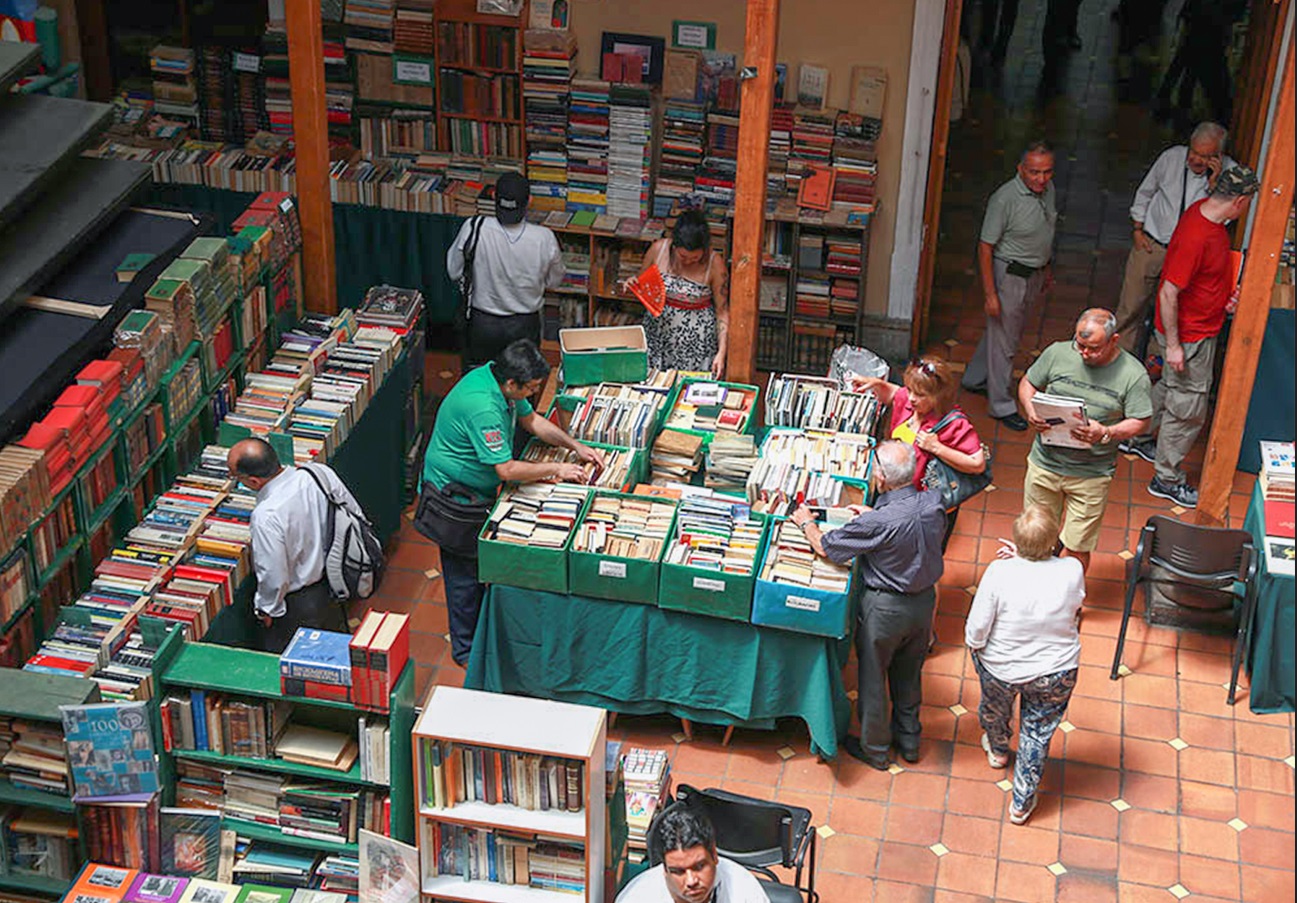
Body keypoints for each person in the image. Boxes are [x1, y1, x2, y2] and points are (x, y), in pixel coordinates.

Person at [417, 339, 603, 666]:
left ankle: (485, 631)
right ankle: (466, 650)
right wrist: (557, 468)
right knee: (463, 575)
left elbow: (532, 421)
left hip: (477, 490)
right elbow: (506, 469)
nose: (532, 394)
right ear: (511, 383)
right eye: (529, 388)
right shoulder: (484, 405)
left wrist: (574, 446)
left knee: (480, 567)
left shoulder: (498, 380)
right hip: (455, 499)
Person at [790, 441, 946, 769]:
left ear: (880, 476)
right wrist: (877, 516)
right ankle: (910, 740)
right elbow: (905, 522)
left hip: (885, 609)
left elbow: (827, 547)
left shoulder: (877, 523)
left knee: (873, 679)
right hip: (923, 604)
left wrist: (807, 523)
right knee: (909, 672)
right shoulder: (933, 501)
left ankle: (875, 750)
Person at [1121, 166, 1259, 508]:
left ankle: (1136, 436)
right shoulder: (1200, 233)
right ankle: (1166, 477)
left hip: (1194, 327)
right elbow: (1169, 292)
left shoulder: (1201, 213)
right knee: (1189, 408)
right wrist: (1174, 346)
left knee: (1169, 390)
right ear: (1240, 202)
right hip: (1191, 335)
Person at [965, 505, 1084, 826]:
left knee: (995, 708)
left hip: (1001, 668)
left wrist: (976, 649)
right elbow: (1073, 604)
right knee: (1037, 733)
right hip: (1055, 670)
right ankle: (1021, 801)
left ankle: (999, 749)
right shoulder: (1073, 569)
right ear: (1054, 540)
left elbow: (976, 630)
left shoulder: (999, 572)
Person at [1019, 309, 1153, 573]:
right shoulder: (1057, 353)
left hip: (1091, 474)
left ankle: (1070, 602)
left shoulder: (1133, 375)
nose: (1084, 354)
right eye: (1079, 345)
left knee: (1077, 547)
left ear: (1114, 341)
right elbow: (1027, 383)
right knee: (1036, 537)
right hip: (1045, 464)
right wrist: (1030, 409)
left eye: (1093, 348)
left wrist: (1106, 432)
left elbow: (1141, 421)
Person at [228, 438, 363, 653]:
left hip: (298, 605)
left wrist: (267, 610)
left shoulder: (266, 516)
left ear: (253, 482)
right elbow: (354, 514)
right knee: (334, 654)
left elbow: (274, 576)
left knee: (295, 667)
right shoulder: (318, 473)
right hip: (333, 583)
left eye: (235, 477)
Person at [961, 141, 1057, 432]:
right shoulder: (1004, 199)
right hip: (1010, 274)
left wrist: (1046, 267)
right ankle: (1001, 404)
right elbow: (985, 247)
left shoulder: (1048, 191)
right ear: (1020, 170)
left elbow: (1046, 230)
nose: (1041, 179)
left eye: (1047, 172)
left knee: (1002, 332)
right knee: (1006, 342)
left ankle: (974, 378)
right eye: (1034, 172)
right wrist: (991, 294)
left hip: (1035, 272)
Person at [1116, 122, 1234, 354]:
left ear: (1218, 156)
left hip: (1188, 257)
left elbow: (1225, 219)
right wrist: (1137, 229)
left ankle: (1155, 365)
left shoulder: (1230, 173)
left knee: (1171, 312)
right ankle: (1117, 359)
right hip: (1152, 244)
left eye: (1205, 156)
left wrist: (1214, 186)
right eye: (1194, 152)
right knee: (1130, 308)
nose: (1196, 160)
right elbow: (1145, 192)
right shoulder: (1171, 158)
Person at [852, 356, 987, 547]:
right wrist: (876, 384)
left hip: (927, 510)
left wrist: (937, 448)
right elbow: (894, 393)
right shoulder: (908, 402)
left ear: (938, 396)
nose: (912, 398)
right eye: (910, 389)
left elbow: (977, 463)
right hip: (897, 499)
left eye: (921, 394)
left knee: (921, 554)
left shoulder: (953, 423)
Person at [447, 171, 565, 369]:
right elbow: (555, 281)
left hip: (483, 323)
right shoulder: (544, 238)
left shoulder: (474, 227)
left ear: (494, 196)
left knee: (481, 379)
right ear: (530, 201)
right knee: (523, 383)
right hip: (525, 325)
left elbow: (454, 271)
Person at [638, 209, 730, 378]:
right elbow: (642, 288)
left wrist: (721, 353)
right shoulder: (658, 250)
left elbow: (722, 312)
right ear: (674, 245)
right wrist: (633, 285)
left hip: (697, 347)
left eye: (694, 258)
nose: (687, 262)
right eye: (682, 256)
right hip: (658, 340)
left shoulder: (714, 263)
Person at [616, 804, 767, 903]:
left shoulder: (743, 888)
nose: (691, 881)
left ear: (714, 856)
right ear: (665, 870)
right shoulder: (636, 898)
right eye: (678, 871)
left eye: (699, 866)